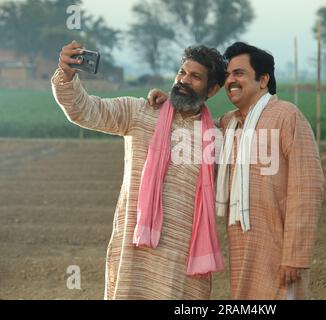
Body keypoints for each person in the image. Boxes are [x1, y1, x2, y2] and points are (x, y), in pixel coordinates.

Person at [148, 42, 325, 300]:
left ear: (263, 79)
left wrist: (295, 256)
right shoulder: (228, 124)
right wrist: (170, 101)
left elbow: (307, 187)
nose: (231, 80)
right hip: (242, 247)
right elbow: (193, 119)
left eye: (239, 73)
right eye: (228, 74)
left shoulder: (286, 116)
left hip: (279, 250)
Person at [52, 41, 226, 299]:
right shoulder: (140, 112)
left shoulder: (216, 138)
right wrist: (66, 74)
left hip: (181, 260)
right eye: (182, 72)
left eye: (195, 76)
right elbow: (84, 110)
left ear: (212, 89)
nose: (184, 80)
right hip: (133, 250)